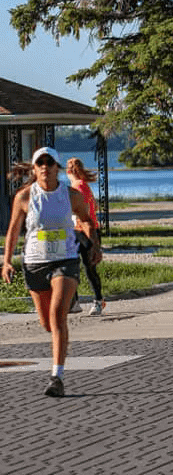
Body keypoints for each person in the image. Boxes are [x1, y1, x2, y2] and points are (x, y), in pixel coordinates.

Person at [2, 147, 101, 397]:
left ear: (57, 167)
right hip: (35, 263)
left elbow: (88, 219)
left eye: (50, 162)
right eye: (40, 163)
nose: (45, 166)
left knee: (58, 316)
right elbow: (13, 231)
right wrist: (7, 261)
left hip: (65, 260)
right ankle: (60, 338)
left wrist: (94, 245)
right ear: (34, 169)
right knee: (47, 323)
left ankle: (57, 376)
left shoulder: (71, 195)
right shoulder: (25, 197)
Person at [65, 158, 106, 315]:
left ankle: (97, 301)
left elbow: (85, 210)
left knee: (88, 267)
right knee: (73, 265)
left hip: (86, 231)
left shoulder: (77, 187)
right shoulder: (84, 185)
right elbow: (94, 206)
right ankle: (74, 302)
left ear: (68, 172)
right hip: (78, 230)